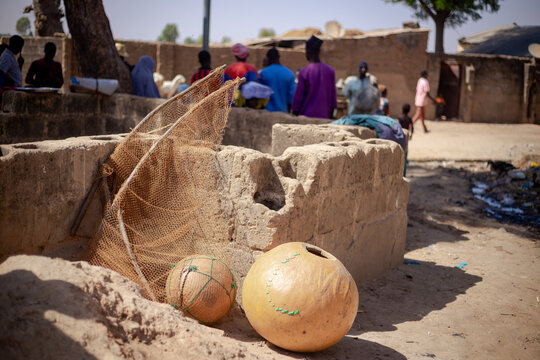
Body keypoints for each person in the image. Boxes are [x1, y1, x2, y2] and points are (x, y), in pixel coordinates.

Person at [291, 36, 337, 119]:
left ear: (308, 52)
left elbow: (298, 99)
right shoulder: (330, 71)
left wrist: (294, 116)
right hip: (324, 118)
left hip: (306, 118)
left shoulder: (304, 72)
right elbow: (333, 98)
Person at [259, 47, 296, 113]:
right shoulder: (289, 73)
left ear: (268, 58)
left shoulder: (263, 73)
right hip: (283, 113)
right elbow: (291, 97)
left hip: (267, 113)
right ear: (278, 57)